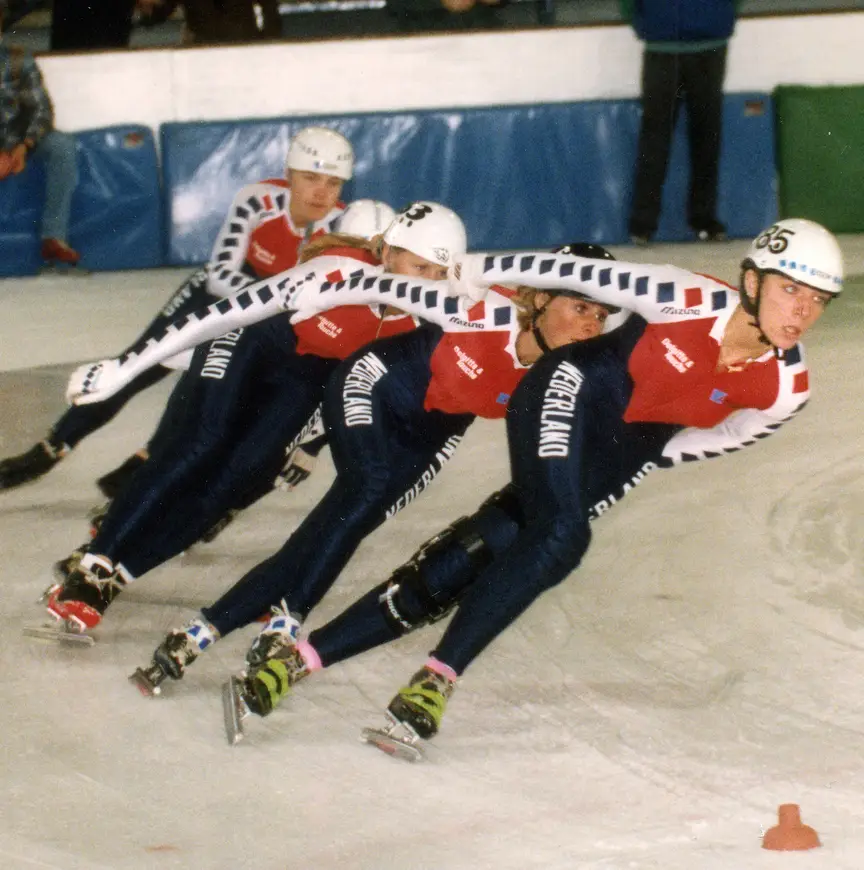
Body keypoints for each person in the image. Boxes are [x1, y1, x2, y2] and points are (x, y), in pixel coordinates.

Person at [223, 218, 842, 747]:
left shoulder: (789, 387)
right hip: (568, 391)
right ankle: (438, 679)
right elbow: (570, 274)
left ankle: (296, 663)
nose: (803, 313)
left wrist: (652, 457)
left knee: (479, 552)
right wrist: (468, 268)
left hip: (621, 452)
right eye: (792, 292)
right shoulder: (686, 296)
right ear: (753, 281)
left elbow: (729, 436)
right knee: (563, 535)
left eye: (817, 301)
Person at [106, 242, 620, 695]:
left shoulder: (557, 380)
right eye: (579, 307)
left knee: (346, 521)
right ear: (539, 299)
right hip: (368, 386)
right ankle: (283, 619)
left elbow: (471, 434)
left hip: (425, 435)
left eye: (600, 316)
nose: (590, 325)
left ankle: (207, 630)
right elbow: (375, 282)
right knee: (363, 490)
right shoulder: (481, 304)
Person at [46, 202, 467, 637]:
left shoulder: (422, 321)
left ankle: (117, 576)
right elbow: (223, 313)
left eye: (441, 274)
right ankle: (98, 559)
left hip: (305, 378)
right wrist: (125, 368)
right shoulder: (335, 271)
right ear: (387, 252)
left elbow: (359, 389)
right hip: (250, 343)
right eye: (420, 268)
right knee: (201, 442)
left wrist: (310, 445)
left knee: (234, 483)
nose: (431, 284)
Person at [0, 125, 352, 495]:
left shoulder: (341, 228)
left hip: (264, 313)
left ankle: (146, 461)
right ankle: (52, 448)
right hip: (219, 295)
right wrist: (281, 298)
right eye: (310, 177)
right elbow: (219, 278)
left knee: (201, 386)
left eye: (333, 183)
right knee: (139, 366)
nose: (320, 192)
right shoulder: (257, 201)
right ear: (289, 175)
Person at [622, 0, 740, 245]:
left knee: (705, 137)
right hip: (668, 44)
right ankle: (645, 223)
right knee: (658, 140)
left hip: (704, 44)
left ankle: (699, 220)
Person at [0, 3, 79, 268]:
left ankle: (53, 238)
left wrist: (24, 146)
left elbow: (42, 111)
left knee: (62, 146)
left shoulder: (19, 60)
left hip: (20, 140)